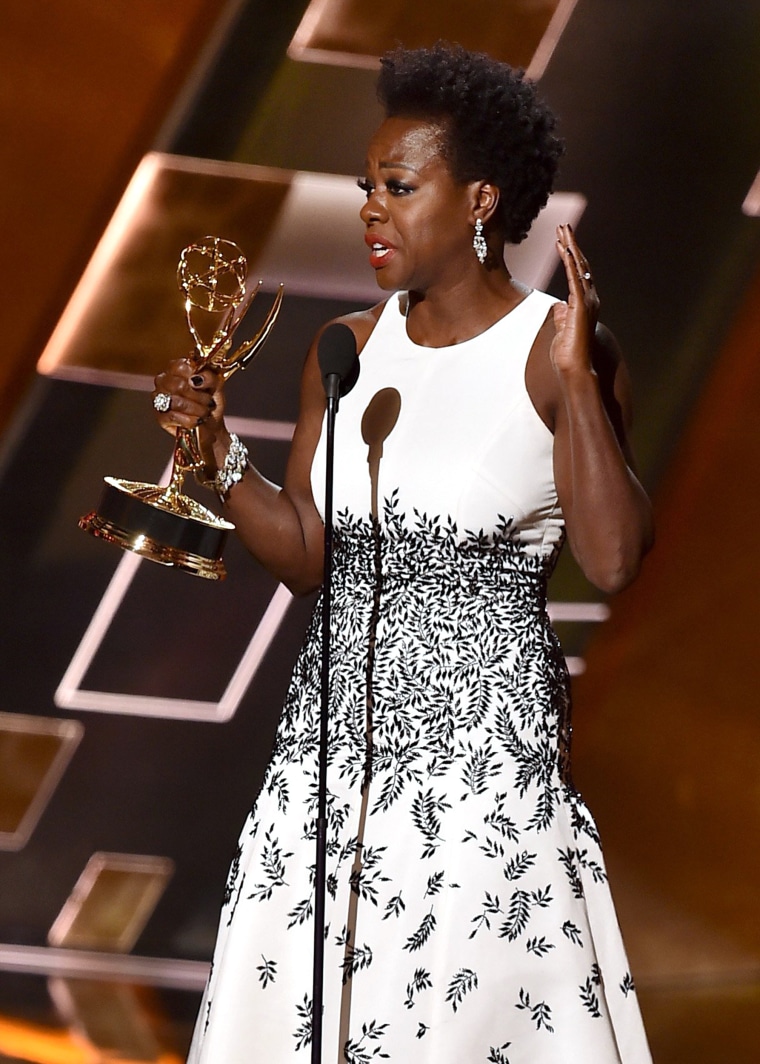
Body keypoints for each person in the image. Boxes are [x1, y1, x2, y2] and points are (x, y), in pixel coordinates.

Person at [154, 42, 654, 1064]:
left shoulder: (555, 349)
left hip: (478, 798)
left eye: (396, 185)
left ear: (478, 199)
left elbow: (610, 560)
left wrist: (578, 384)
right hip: (327, 783)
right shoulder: (344, 349)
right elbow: (305, 556)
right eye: (362, 187)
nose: (369, 208)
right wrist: (218, 457)